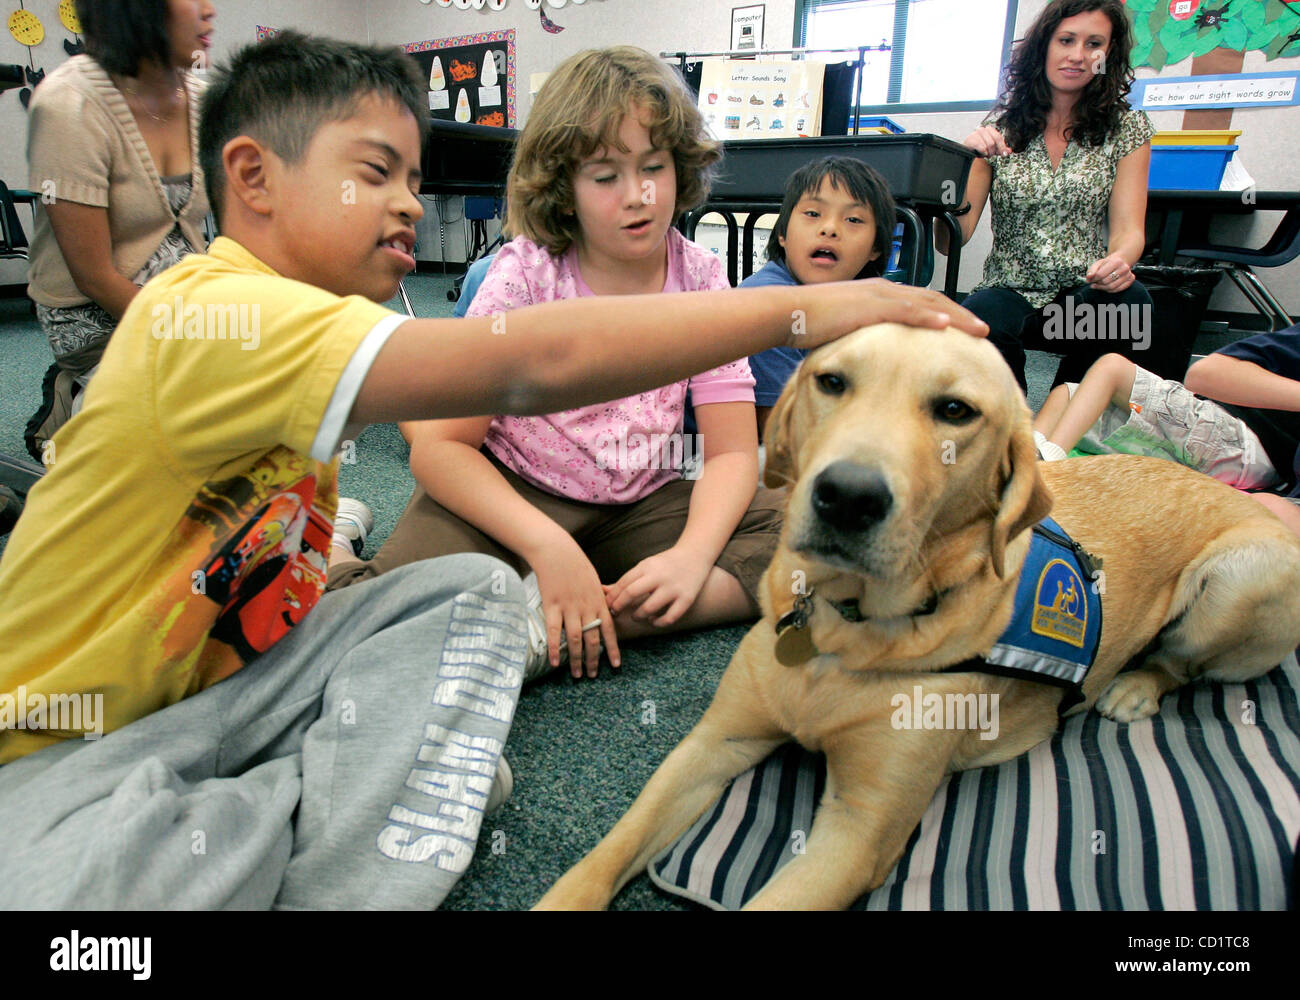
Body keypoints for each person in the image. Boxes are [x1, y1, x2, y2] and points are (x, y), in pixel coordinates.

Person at [0, 32, 985, 910]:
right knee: (108, 896)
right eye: (376, 173)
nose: (407, 205)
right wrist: (809, 308)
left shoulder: (318, 323)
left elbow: (730, 448)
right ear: (253, 177)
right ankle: (380, 751)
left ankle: (398, 713)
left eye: (411, 177)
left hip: (230, 674)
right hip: (56, 740)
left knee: (473, 594)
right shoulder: (213, 315)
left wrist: (684, 554)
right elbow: (524, 367)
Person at [330, 46, 800, 682]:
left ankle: (562, 625)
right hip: (512, 493)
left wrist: (691, 557)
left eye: (654, 167)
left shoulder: (702, 277)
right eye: (606, 176)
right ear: (564, 187)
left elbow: (734, 455)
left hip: (643, 500)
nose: (639, 195)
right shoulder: (524, 273)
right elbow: (442, 450)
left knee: (806, 549)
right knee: (361, 630)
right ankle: (337, 546)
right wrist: (547, 546)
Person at [937, 0, 1172, 392]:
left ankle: (1067, 414)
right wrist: (960, 166)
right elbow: (950, 240)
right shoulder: (999, 128)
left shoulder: (1127, 128)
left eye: (1093, 43)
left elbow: (1129, 230)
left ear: (1108, 54)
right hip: (1009, 290)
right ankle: (1012, 428)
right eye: (1066, 40)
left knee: (1132, 305)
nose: (1078, 55)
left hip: (1082, 293)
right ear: (1044, 45)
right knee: (981, 318)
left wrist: (1118, 262)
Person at [24, 0, 216, 456]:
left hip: (188, 294)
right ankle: (74, 394)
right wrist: (201, 335)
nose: (209, 10)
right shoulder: (68, 104)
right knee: (194, 424)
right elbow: (93, 276)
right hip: (97, 313)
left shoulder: (205, 100)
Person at [1031, 326, 1300, 538]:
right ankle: (1024, 463)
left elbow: (1201, 375)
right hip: (1237, 443)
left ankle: (1040, 474)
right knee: (1067, 395)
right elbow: (1206, 376)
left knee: (1112, 368)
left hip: (1244, 443)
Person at [741, 156, 895, 438]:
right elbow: (780, 430)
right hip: (704, 459)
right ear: (783, 234)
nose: (830, 228)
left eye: (853, 219)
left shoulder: (861, 305)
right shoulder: (770, 303)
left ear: (875, 248)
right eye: (813, 214)